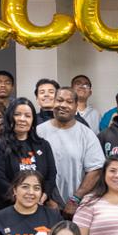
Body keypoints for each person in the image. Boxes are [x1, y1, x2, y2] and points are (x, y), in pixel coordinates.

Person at [36, 88, 104, 217]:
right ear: (53, 103)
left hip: (77, 207)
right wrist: (47, 198)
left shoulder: (86, 134)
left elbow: (95, 170)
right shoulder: (39, 132)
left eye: (69, 101)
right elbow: (32, 168)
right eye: (59, 100)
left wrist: (75, 199)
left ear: (76, 106)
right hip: (42, 204)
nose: (63, 105)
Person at [0, 98, 62, 212]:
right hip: (9, 208)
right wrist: (21, 198)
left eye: (27, 116)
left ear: (33, 121)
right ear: (9, 117)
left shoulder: (43, 145)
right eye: (17, 114)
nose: (22, 119)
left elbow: (51, 175)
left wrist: (43, 195)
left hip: (39, 206)